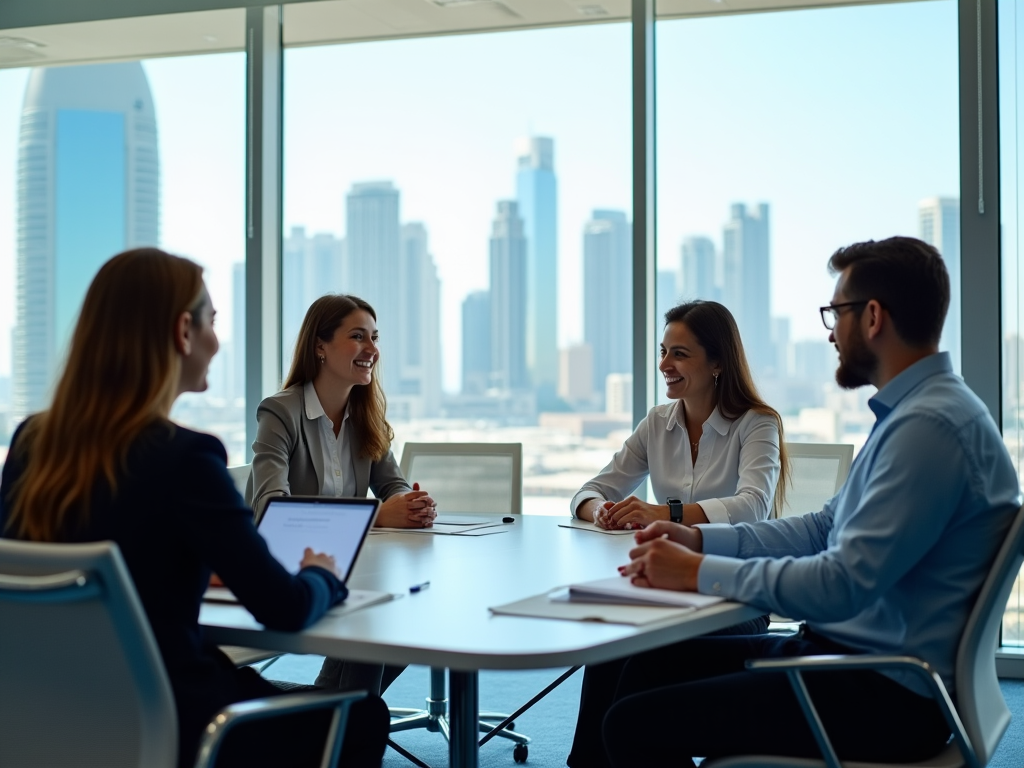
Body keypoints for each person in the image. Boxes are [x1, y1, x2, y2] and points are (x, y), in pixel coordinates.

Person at [600, 236, 1022, 767]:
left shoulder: (929, 428)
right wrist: (700, 537)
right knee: (644, 665)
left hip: (877, 692)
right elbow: (824, 527)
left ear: (872, 317)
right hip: (850, 662)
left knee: (633, 724)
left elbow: (839, 584)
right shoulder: (919, 414)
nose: (831, 334)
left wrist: (698, 571)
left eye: (835, 314)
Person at [0, 248, 389, 768]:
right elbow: (286, 608)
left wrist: (193, 567)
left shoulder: (31, 442)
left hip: (49, 711)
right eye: (211, 321)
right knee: (365, 717)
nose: (216, 340)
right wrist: (320, 573)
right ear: (184, 331)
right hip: (178, 722)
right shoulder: (186, 458)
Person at [566, 300, 789, 768]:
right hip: (666, 587)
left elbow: (753, 506)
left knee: (637, 663)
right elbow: (590, 490)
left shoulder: (758, 423)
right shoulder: (657, 422)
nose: (665, 364)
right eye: (664, 351)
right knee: (608, 644)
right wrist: (602, 509)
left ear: (718, 362)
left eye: (680, 354)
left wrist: (662, 512)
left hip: (732, 597)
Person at [248, 294, 434, 696]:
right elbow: (270, 507)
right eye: (357, 336)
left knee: (406, 611)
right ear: (320, 346)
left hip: (357, 565)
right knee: (386, 615)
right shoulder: (279, 413)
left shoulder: (367, 416)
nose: (372, 350)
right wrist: (377, 515)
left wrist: (410, 503)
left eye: (374, 337)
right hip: (294, 566)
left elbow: (392, 485)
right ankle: (341, 720)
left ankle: (335, 714)